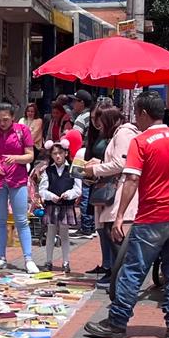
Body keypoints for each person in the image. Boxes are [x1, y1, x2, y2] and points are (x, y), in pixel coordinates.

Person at [84, 91, 169, 338]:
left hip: (152, 217)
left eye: (137, 114)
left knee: (134, 270)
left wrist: (119, 216)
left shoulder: (142, 141)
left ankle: (117, 322)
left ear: (145, 114)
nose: (135, 119)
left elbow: (132, 179)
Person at [83, 106, 139, 289]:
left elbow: (120, 163)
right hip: (112, 190)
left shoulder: (123, 134)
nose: (98, 127)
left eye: (100, 123)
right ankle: (116, 277)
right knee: (110, 232)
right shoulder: (119, 134)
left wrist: (95, 169)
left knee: (116, 235)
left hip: (118, 191)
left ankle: (121, 282)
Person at [0, 103, 36, 272]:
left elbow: (30, 156)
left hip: (17, 179)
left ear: (13, 117)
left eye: (5, 119)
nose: (2, 123)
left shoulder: (22, 131)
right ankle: (1, 257)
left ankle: (28, 258)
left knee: (21, 219)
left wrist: (16, 158)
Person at [37, 139, 82, 273]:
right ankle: (48, 261)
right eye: (54, 153)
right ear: (51, 155)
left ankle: (66, 262)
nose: (57, 156)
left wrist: (69, 194)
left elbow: (78, 189)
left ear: (66, 153)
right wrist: (51, 196)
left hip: (66, 205)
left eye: (60, 153)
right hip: (52, 204)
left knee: (65, 234)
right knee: (50, 233)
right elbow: (42, 189)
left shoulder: (73, 169)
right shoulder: (48, 171)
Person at [68, 90, 95, 240]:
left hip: (82, 157)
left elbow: (74, 137)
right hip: (95, 158)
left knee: (84, 190)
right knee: (91, 190)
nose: (73, 104)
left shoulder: (81, 118)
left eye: (75, 101)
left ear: (82, 103)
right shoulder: (95, 116)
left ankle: (85, 227)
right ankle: (91, 225)